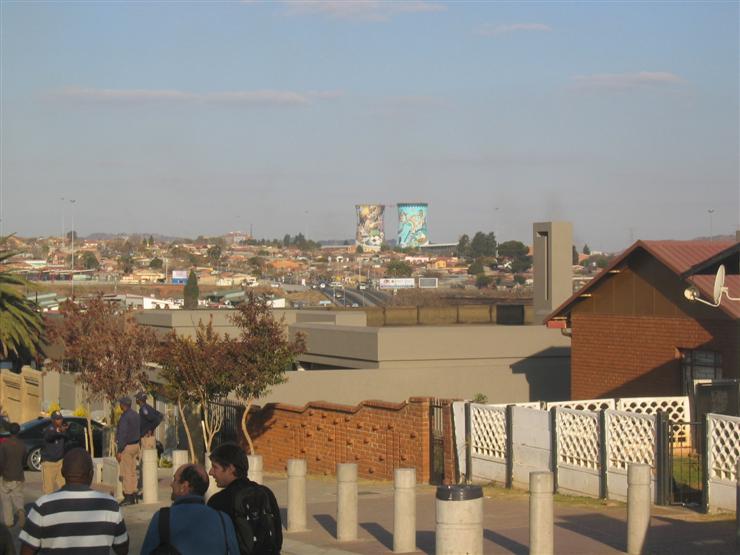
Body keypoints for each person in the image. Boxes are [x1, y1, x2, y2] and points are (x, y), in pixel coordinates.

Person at [19, 448, 128, 554]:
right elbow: (122, 549)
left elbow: (26, 550)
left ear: (62, 472)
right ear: (91, 474)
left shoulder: (43, 505)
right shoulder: (110, 505)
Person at [140, 463, 239, 555]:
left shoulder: (162, 518)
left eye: (175, 480)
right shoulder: (223, 519)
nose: (171, 484)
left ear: (184, 486)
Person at [207, 443, 282, 555]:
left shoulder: (218, 501)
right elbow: (277, 538)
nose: (211, 472)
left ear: (230, 468)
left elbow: (214, 544)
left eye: (215, 467)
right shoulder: (266, 492)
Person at [0, 422, 27, 528]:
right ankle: (20, 510)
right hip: (19, 475)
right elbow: (24, 461)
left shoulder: (4, 444)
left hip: (6, 476)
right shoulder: (22, 445)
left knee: (6, 499)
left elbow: (1, 461)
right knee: (18, 497)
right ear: (19, 431)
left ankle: (9, 522)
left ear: (9, 432)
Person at [115, 397, 140, 506]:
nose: (119, 405)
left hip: (127, 446)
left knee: (126, 472)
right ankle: (134, 493)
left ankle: (128, 496)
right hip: (136, 445)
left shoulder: (124, 417)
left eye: (120, 403)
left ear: (123, 405)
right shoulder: (135, 414)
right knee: (133, 470)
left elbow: (122, 434)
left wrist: (119, 450)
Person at [41, 412, 68, 494]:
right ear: (52, 420)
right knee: (49, 490)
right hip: (49, 464)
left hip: (60, 462)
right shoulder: (49, 429)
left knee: (64, 488)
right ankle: (48, 506)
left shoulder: (62, 429)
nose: (60, 421)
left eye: (61, 418)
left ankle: (64, 506)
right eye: (57, 419)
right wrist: (59, 431)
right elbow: (50, 437)